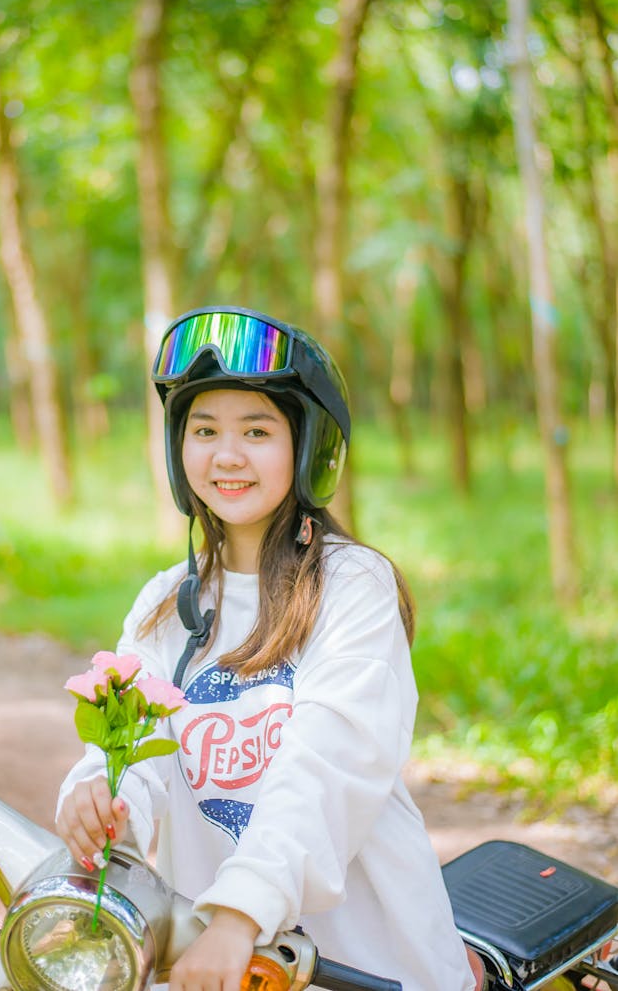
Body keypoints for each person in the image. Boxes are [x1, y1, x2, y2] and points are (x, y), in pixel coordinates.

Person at [56, 306, 477, 991]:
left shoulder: (352, 585)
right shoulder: (167, 602)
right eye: (204, 429)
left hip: (363, 966)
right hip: (216, 959)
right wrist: (101, 799)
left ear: (309, 448)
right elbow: (130, 750)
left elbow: (329, 763)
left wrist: (238, 914)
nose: (226, 454)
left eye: (257, 430)